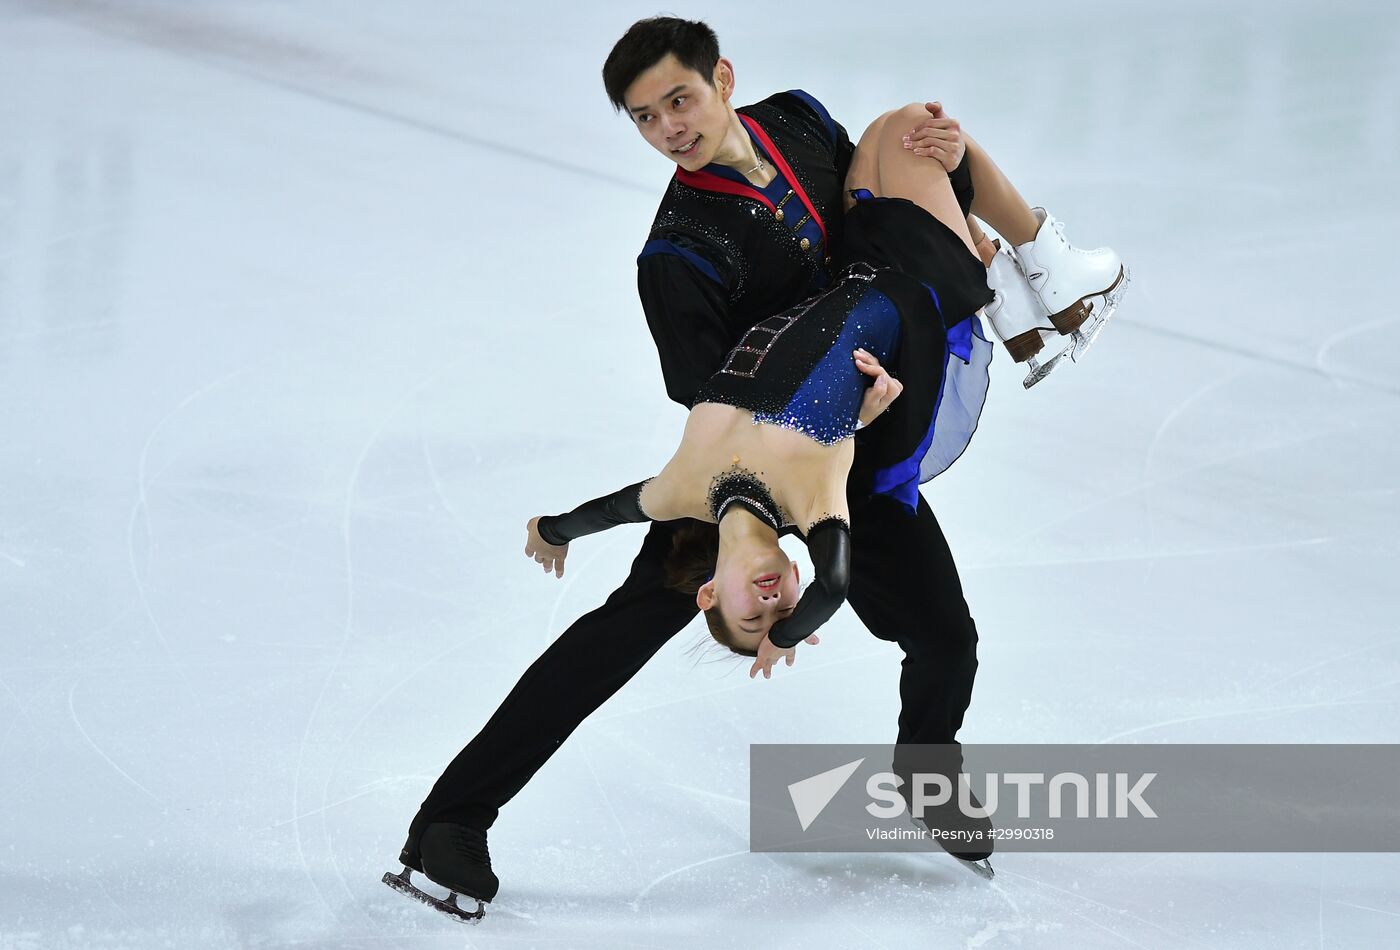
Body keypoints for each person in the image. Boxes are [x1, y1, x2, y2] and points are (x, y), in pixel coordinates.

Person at [387, 16, 1128, 917]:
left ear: (723, 79)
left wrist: (946, 176)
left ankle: (925, 776)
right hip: (767, 446)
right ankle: (450, 821)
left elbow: (877, 204)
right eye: (646, 118)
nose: (669, 126)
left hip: (869, 415)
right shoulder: (677, 253)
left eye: (679, 99)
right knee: (621, 633)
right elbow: (705, 391)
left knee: (946, 636)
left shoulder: (800, 123)